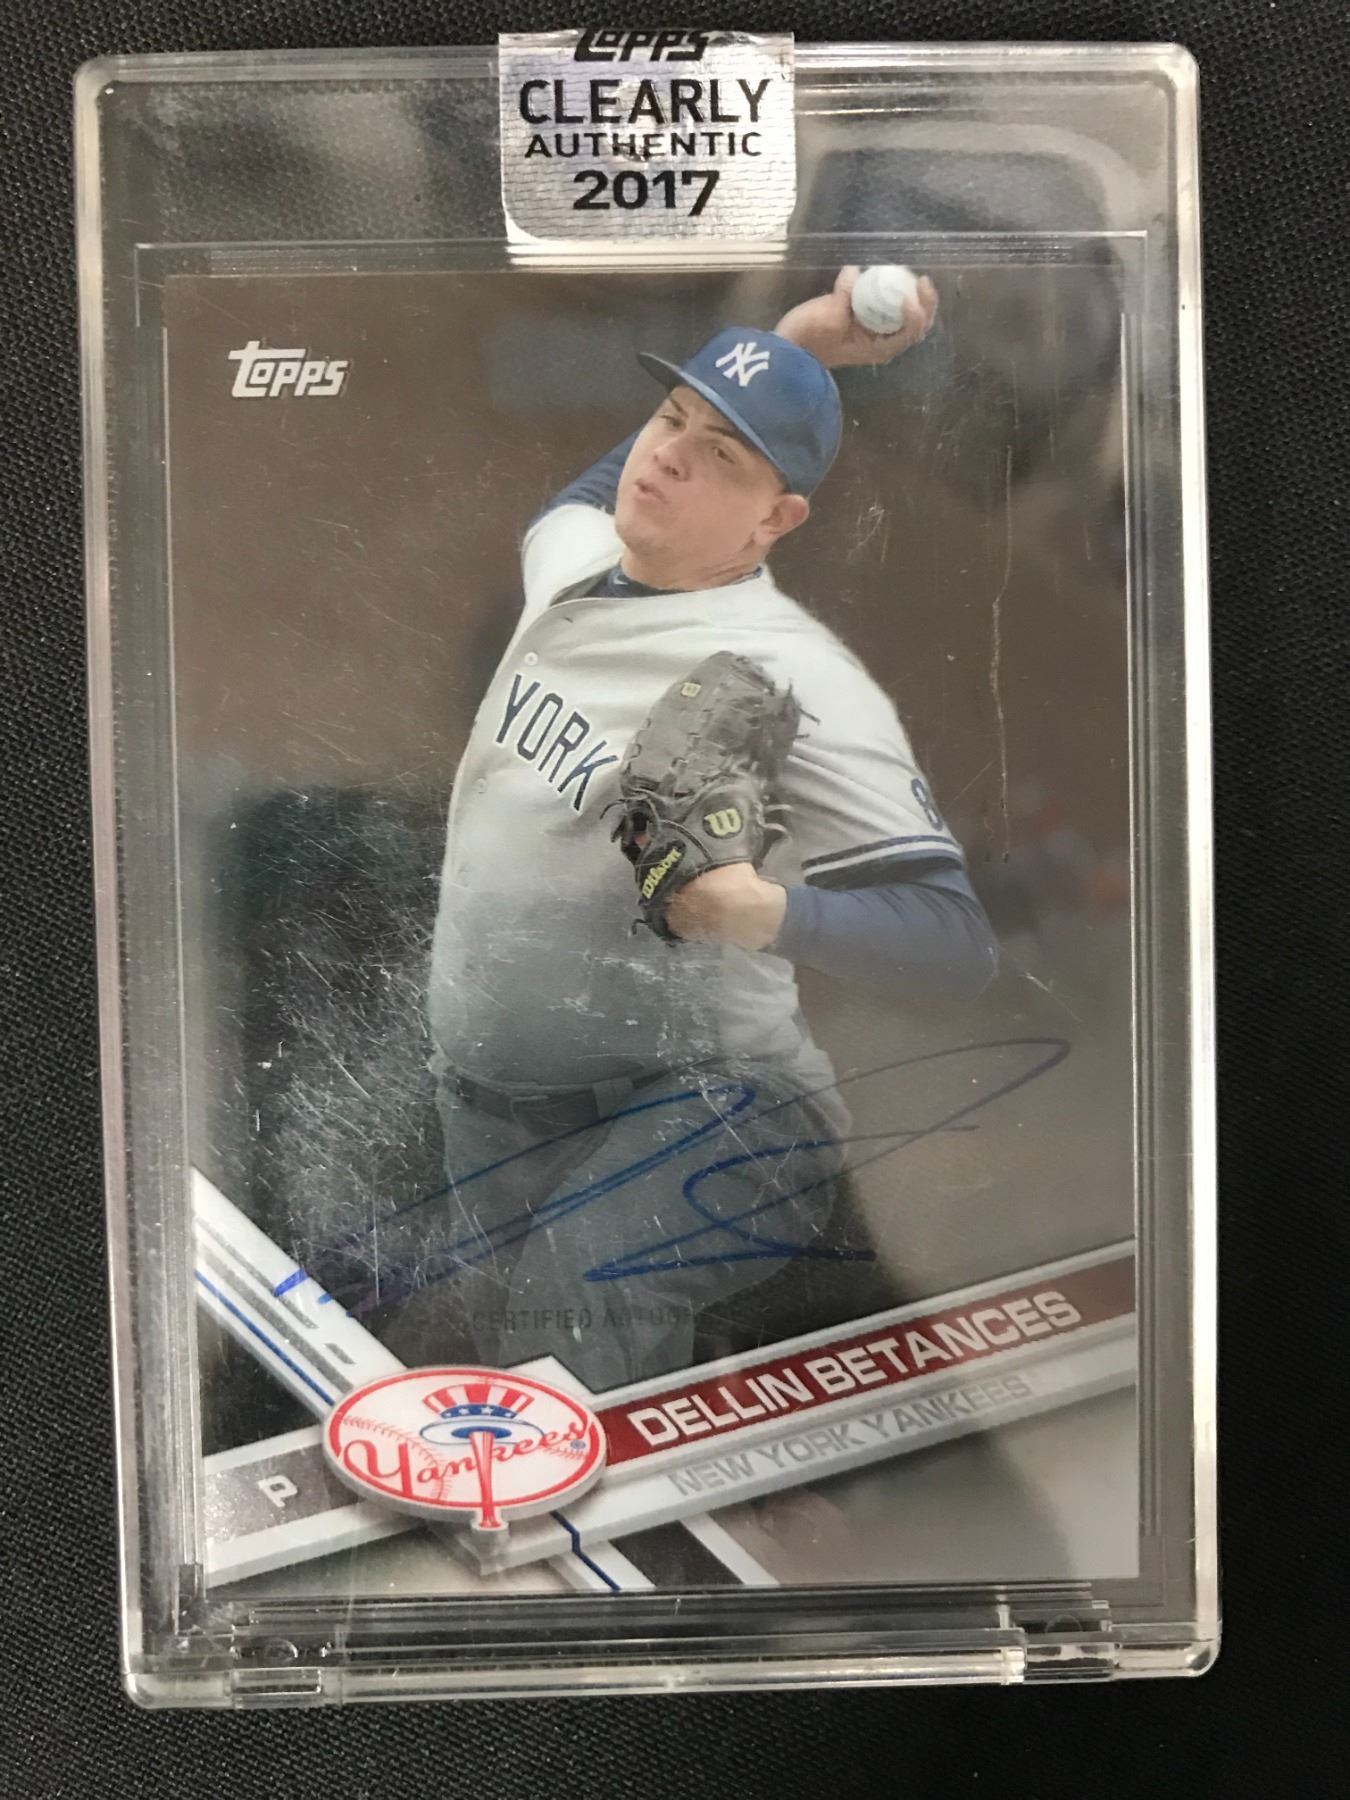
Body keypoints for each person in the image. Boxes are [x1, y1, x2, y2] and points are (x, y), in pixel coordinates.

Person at [377, 269, 997, 1391]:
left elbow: (955, 943)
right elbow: (600, 489)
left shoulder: (796, 672)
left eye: (722, 454)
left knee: (572, 1314)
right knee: (514, 1357)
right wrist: (798, 345)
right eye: (672, 418)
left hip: (724, 1105)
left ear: (777, 520)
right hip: (500, 1098)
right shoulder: (579, 562)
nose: (666, 457)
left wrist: (763, 911)